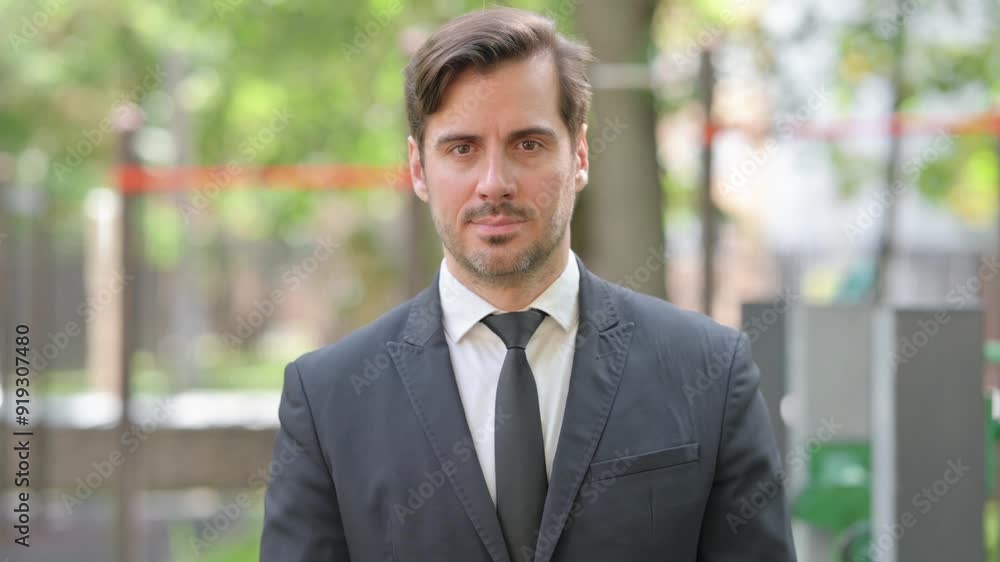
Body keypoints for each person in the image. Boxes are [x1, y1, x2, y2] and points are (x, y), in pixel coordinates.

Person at [259, 7, 796, 562]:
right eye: (462, 148)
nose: (494, 183)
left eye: (528, 144)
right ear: (418, 168)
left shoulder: (709, 371)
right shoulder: (328, 399)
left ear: (579, 154)